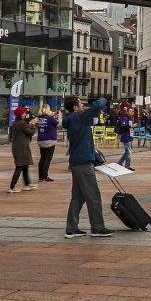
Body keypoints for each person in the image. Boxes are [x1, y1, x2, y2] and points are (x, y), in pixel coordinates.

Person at [63, 95, 113, 238]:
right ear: (75, 107)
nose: (83, 106)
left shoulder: (73, 119)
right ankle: (97, 227)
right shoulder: (80, 117)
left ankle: (71, 228)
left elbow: (84, 142)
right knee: (93, 194)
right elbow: (98, 106)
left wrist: (96, 157)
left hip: (78, 161)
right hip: (83, 163)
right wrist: (103, 98)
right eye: (80, 103)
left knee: (78, 197)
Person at [8, 107, 37, 193]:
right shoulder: (22, 123)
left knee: (25, 166)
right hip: (21, 148)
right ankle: (12, 187)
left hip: (18, 147)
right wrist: (33, 125)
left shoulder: (17, 123)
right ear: (20, 114)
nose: (25, 114)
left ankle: (27, 184)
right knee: (20, 167)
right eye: (24, 113)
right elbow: (30, 132)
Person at [36, 104, 60, 183]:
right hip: (49, 140)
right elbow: (58, 124)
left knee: (42, 158)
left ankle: (40, 176)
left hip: (41, 139)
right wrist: (59, 116)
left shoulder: (39, 118)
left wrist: (52, 115)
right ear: (48, 109)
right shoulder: (49, 118)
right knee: (47, 159)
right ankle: (44, 176)